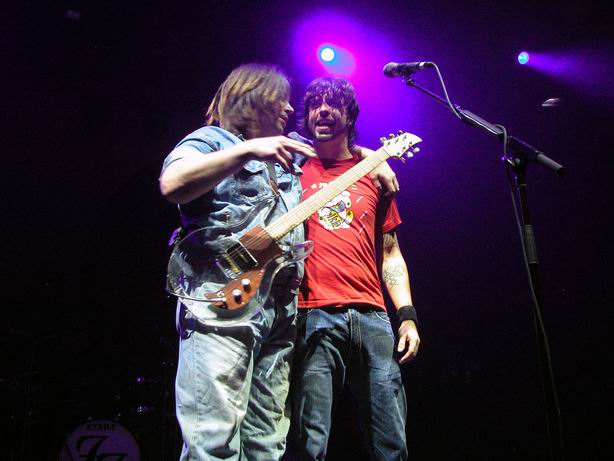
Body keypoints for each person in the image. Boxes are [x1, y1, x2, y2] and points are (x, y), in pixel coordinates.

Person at [159, 63, 316, 461]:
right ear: (253, 97)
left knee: (267, 442)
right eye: (279, 97)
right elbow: (173, 184)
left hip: (278, 309)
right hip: (221, 301)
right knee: (214, 438)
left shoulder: (287, 154)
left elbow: (339, 154)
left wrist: (378, 156)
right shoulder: (212, 140)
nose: (288, 107)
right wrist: (246, 149)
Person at [289, 76, 421, 460]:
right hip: (312, 315)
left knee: (390, 442)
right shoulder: (292, 168)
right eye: (315, 104)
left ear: (350, 114)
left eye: (333, 104)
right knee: (307, 442)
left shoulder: (374, 176)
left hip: (374, 319)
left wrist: (407, 316)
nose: (323, 110)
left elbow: (391, 253)